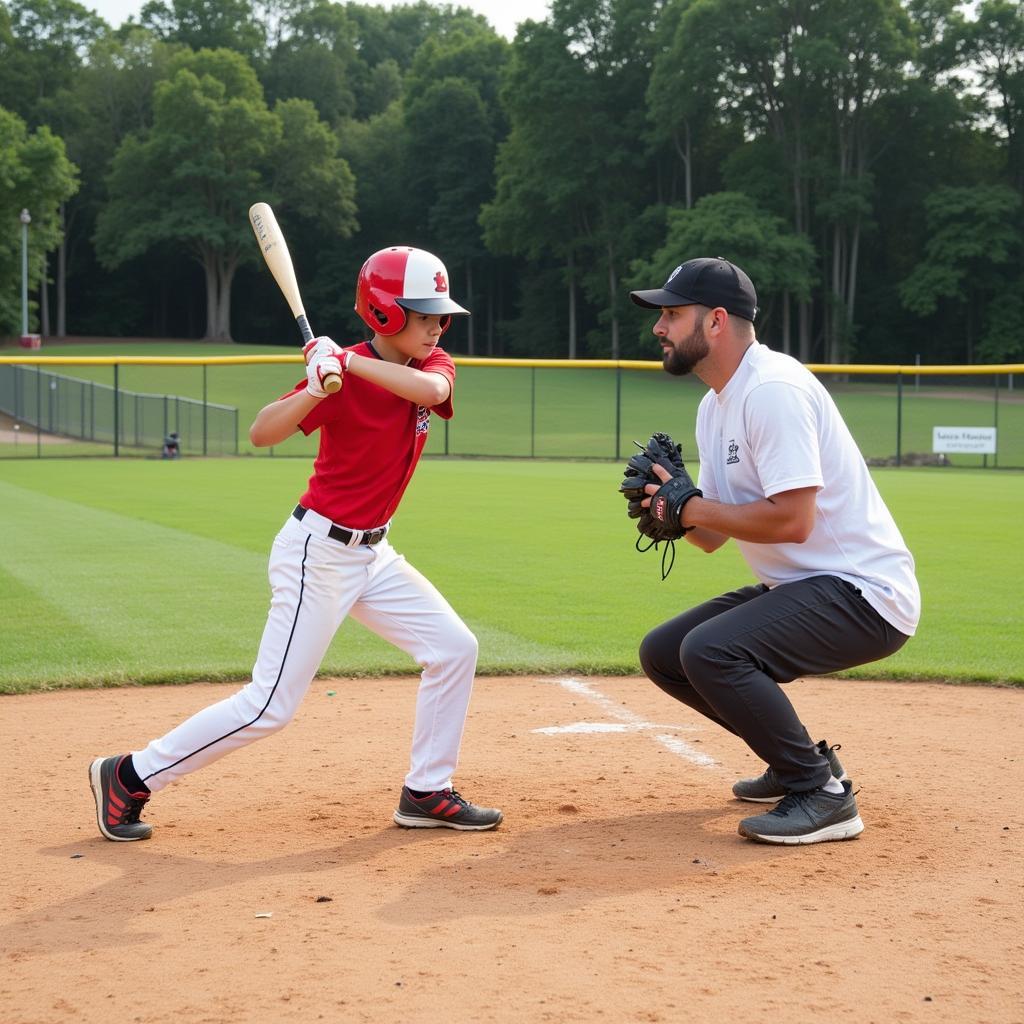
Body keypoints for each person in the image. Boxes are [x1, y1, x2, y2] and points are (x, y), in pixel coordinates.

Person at [89, 246, 503, 842]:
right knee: (269, 707)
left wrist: (348, 365)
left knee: (454, 648)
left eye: (442, 314)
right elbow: (261, 432)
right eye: (425, 313)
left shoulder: (428, 365)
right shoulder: (336, 377)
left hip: (374, 555)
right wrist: (314, 387)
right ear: (384, 312)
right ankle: (129, 775)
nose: (439, 325)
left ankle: (426, 791)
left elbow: (430, 394)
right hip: (318, 554)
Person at [627, 256, 920, 845]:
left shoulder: (772, 390)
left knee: (711, 651)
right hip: (807, 586)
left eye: (671, 314)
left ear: (714, 322)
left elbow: (792, 519)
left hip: (865, 593)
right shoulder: (715, 404)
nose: (659, 328)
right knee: (665, 653)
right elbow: (714, 535)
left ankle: (822, 794)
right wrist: (668, 509)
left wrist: (688, 507)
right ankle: (796, 765)